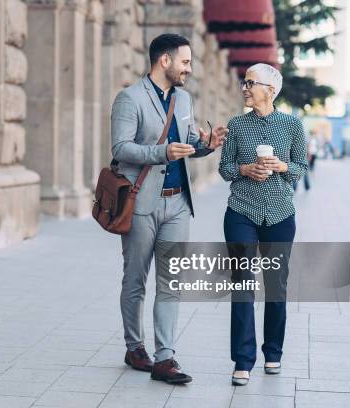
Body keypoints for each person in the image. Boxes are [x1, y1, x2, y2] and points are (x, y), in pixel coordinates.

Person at [111, 33, 228, 384]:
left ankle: (165, 358)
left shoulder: (184, 99)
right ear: (165, 60)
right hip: (141, 203)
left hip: (178, 203)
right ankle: (135, 348)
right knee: (135, 280)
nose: (189, 69)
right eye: (185, 62)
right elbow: (121, 148)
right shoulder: (130, 98)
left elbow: (187, 142)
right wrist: (161, 153)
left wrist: (207, 145)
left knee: (171, 281)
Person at [218, 63, 308, 386]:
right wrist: (245, 170)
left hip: (281, 215)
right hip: (241, 212)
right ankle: (242, 360)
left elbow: (300, 167)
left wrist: (281, 165)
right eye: (244, 81)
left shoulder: (293, 125)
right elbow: (225, 168)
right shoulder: (237, 125)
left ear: (270, 90)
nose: (245, 87)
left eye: (250, 82)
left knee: (275, 284)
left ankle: (273, 352)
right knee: (243, 282)